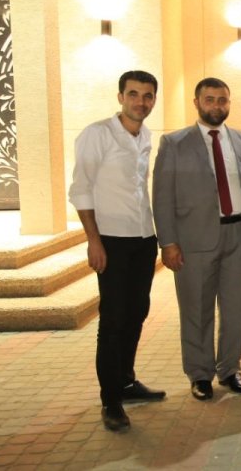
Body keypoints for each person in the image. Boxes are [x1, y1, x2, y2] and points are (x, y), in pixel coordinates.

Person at [152, 77, 241, 401]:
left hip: (238, 237)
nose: (217, 105)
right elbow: (162, 196)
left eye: (222, 100)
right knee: (196, 310)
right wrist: (168, 242)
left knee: (235, 309)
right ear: (197, 103)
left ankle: (230, 369)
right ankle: (200, 374)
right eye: (210, 99)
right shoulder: (174, 143)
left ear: (229, 103)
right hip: (194, 240)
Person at [68, 70, 166, 432]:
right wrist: (93, 240)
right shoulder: (97, 134)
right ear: (121, 96)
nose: (141, 101)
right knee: (113, 319)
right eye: (134, 94)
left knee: (137, 311)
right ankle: (111, 400)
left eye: (148, 95)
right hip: (111, 240)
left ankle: (126, 381)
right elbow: (81, 189)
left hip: (143, 238)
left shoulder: (145, 136)